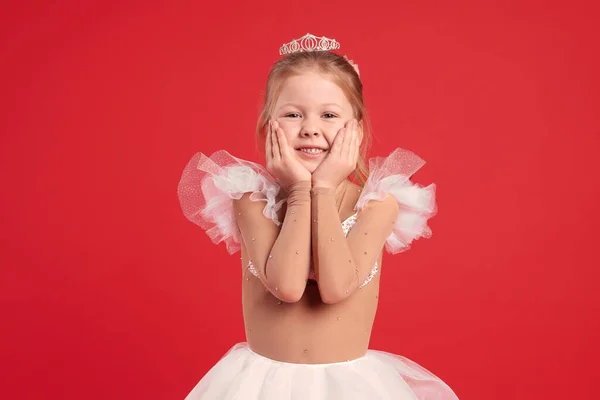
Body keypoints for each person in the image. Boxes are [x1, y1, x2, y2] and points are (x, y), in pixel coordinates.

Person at [177, 33, 458, 399]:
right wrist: (299, 190)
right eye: (293, 114)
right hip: (260, 386)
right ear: (268, 125)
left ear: (355, 129)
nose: (310, 128)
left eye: (328, 114)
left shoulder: (378, 204)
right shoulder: (251, 198)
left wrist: (322, 189)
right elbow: (288, 287)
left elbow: (337, 287)